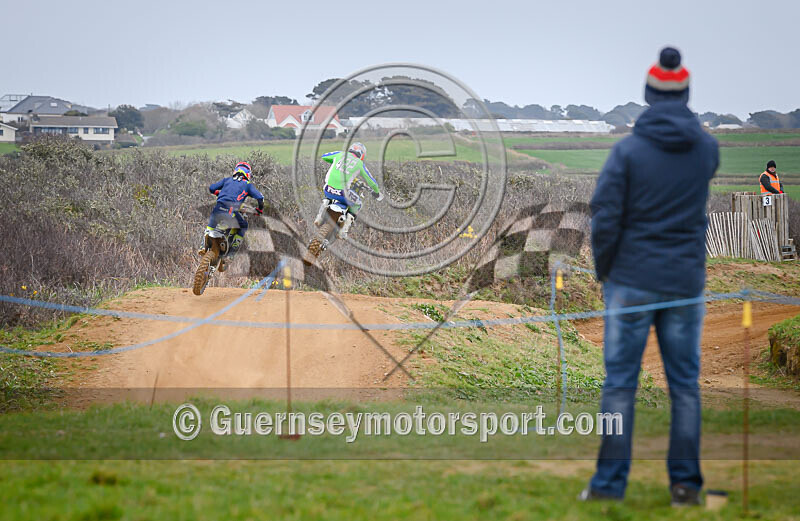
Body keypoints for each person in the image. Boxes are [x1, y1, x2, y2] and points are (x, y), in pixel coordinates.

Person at [582, 47, 719, 506]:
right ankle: (685, 486)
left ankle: (607, 487)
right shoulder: (707, 149)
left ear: (648, 93)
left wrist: (607, 271)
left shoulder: (627, 151)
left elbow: (604, 216)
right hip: (684, 279)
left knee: (620, 384)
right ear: (685, 92)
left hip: (631, 279)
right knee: (684, 385)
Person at [314, 142, 383, 239]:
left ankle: (321, 214)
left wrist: (336, 163)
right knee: (358, 204)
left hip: (327, 189)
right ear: (362, 154)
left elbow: (324, 156)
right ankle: (343, 230)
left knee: (329, 195)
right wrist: (377, 193)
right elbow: (372, 182)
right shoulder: (359, 164)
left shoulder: (339, 154)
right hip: (343, 194)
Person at [199, 161, 264, 257]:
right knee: (244, 226)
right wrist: (260, 209)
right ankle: (231, 253)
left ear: (235, 171)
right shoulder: (247, 184)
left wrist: (218, 193)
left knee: (210, 227)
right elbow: (260, 198)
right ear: (248, 174)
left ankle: (203, 245)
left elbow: (212, 188)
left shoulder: (227, 180)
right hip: (231, 210)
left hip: (218, 207)